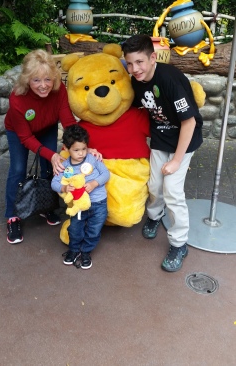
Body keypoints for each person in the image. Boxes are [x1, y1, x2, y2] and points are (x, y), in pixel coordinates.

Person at [122, 34, 203, 272]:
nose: (134, 68)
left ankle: (179, 244)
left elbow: (188, 122)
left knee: (172, 190)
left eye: (140, 62)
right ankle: (155, 216)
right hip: (160, 138)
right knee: (155, 184)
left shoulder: (169, 80)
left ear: (153, 58)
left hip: (184, 140)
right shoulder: (136, 80)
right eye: (130, 63)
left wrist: (177, 161)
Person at [4, 49, 99, 245]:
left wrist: (82, 146)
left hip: (46, 127)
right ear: (27, 79)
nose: (43, 85)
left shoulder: (58, 90)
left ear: (54, 78)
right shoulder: (17, 98)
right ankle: (13, 216)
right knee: (18, 169)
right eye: (36, 80)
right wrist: (52, 154)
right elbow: (26, 137)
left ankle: (47, 205)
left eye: (47, 79)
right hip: (19, 133)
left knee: (51, 167)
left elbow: (67, 120)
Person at [51, 124, 110, 269]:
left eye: (84, 149)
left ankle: (86, 251)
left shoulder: (92, 159)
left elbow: (106, 174)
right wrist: (64, 187)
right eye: (76, 150)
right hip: (77, 206)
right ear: (67, 148)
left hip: (98, 203)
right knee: (75, 229)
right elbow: (54, 182)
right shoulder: (66, 167)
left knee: (94, 229)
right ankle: (74, 249)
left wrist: (94, 183)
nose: (81, 153)